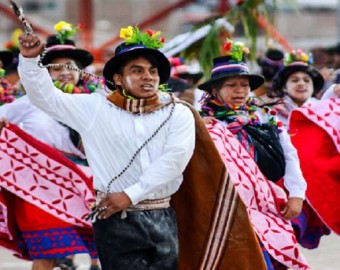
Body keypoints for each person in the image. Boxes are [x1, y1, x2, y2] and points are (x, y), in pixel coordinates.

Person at [17, 25, 270, 270]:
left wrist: (130, 195)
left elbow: (175, 158)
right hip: (116, 220)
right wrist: (29, 62)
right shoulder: (93, 108)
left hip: (163, 214)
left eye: (152, 70)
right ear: (118, 78)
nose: (147, 76)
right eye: (137, 70)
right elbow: (45, 97)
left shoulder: (177, 112)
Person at [198, 39, 310, 269]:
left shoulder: (265, 120)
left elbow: (289, 156)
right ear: (214, 90)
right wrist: (197, 127)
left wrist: (297, 194)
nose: (239, 91)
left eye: (244, 85)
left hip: (265, 205)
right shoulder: (200, 124)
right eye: (232, 85)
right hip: (222, 209)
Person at [0, 22, 100, 270]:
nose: (65, 72)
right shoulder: (31, 102)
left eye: (71, 66)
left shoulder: (95, 102)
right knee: (47, 253)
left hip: (82, 186)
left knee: (106, 248)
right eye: (57, 67)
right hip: (38, 189)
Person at [270, 49, 340, 249]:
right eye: (294, 80)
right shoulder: (270, 113)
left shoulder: (322, 110)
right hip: (285, 183)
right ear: (284, 87)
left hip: (318, 180)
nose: (301, 83)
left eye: (306, 80)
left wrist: (333, 90)